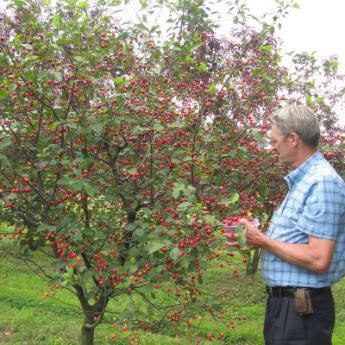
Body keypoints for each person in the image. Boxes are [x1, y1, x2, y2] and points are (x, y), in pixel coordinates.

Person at [226, 104, 345, 345]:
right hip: (288, 307)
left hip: (301, 311)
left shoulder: (321, 183)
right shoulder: (302, 183)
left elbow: (318, 258)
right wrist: (252, 238)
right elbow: (294, 243)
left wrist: (262, 240)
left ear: (293, 139)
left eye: (274, 141)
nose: (272, 148)